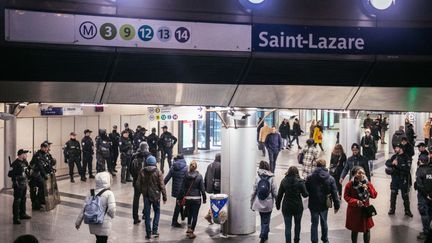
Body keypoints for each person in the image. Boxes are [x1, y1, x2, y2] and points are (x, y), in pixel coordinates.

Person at [305, 159, 340, 243]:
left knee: (314, 224)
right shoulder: (330, 178)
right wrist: (337, 205)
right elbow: (334, 193)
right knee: (324, 222)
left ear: (316, 165)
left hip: (313, 203)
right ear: (325, 166)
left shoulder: (310, 177)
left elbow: (306, 190)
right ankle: (325, 239)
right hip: (324, 204)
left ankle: (314, 240)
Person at [75, 172, 116, 243]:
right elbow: (112, 209)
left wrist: (78, 222)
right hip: (104, 223)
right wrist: (112, 216)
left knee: (99, 239)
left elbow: (84, 209)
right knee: (103, 240)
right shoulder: (109, 193)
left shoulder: (91, 193)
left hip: (93, 221)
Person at [344, 166, 378, 243]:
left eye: (363, 173)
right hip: (354, 211)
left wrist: (368, 188)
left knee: (367, 229)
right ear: (354, 174)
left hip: (365, 211)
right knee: (354, 230)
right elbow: (346, 197)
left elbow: (374, 195)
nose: (362, 174)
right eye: (359, 173)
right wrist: (356, 202)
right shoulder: (350, 185)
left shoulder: (367, 183)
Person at [137, 155, 167, 239]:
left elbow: (138, 184)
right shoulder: (158, 171)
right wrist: (164, 197)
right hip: (156, 195)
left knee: (147, 214)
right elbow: (162, 185)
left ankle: (148, 233)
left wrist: (142, 192)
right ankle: (155, 230)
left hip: (146, 195)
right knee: (157, 212)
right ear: (154, 163)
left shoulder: (142, 171)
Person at [276, 166, 308, 243]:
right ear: (297, 172)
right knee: (297, 224)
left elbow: (279, 194)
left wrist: (278, 204)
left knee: (288, 227)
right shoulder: (300, 182)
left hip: (286, 206)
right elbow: (305, 195)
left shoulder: (284, 181)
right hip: (297, 206)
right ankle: (296, 240)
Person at [177, 160, 206, 239]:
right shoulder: (199, 176)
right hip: (197, 199)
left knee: (189, 214)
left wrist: (179, 198)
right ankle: (192, 231)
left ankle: (189, 228)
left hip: (188, 198)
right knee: (195, 215)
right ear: (196, 167)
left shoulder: (186, 175)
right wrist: (204, 198)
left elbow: (182, 188)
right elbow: (202, 189)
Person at [251, 161, 277, 243]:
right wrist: (278, 201)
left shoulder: (257, 176)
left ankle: (265, 233)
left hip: (259, 201)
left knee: (263, 218)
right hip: (268, 202)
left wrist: (251, 202)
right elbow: (275, 191)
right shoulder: (272, 177)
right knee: (266, 219)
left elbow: (253, 191)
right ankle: (263, 235)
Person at [385, 144, 413, 217]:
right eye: (395, 148)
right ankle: (392, 209)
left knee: (405, 196)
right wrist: (392, 163)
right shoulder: (394, 156)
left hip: (403, 179)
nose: (395, 149)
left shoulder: (406, 157)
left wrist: (397, 165)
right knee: (393, 194)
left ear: (401, 148)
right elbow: (387, 163)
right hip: (395, 179)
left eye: (397, 148)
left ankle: (407, 210)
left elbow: (407, 169)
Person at [8, 149, 32, 224]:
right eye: (25, 154)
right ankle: (16, 217)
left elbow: (27, 171)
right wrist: (18, 171)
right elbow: (10, 174)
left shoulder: (25, 162)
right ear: (21, 155)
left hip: (24, 183)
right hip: (18, 184)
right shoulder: (15, 163)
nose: (26, 155)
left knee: (23, 199)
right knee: (17, 200)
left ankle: (22, 214)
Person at [164, 154, 188, 227]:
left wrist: (161, 186)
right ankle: (174, 221)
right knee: (179, 204)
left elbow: (167, 178)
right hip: (183, 189)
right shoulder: (186, 167)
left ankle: (183, 216)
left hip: (176, 189)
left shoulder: (173, 167)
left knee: (179, 202)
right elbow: (188, 179)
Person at [130, 142, 151, 224]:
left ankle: (135, 218)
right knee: (146, 199)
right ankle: (145, 215)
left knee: (136, 199)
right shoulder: (149, 156)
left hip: (136, 181)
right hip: (146, 181)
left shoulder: (134, 156)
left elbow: (130, 169)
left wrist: (135, 177)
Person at [29, 142, 52, 210]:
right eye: (45, 147)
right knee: (33, 190)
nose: (46, 149)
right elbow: (40, 166)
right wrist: (45, 174)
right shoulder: (38, 155)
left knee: (42, 187)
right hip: (34, 175)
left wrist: (51, 170)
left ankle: (40, 201)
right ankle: (35, 204)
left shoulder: (44, 154)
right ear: (42, 147)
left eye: (47, 147)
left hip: (39, 175)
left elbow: (47, 163)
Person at [414, 154, 432, 240]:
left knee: (424, 213)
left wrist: (426, 195)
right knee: (430, 212)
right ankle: (428, 229)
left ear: (420, 161)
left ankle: (426, 232)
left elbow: (420, 185)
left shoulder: (420, 170)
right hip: (431, 196)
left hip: (423, 197)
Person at [203, 153, 221, 224]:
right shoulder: (220, 166)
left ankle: (209, 215)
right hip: (218, 187)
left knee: (216, 201)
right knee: (217, 202)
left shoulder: (210, 165)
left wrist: (206, 186)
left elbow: (206, 176)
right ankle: (210, 215)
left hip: (212, 187)